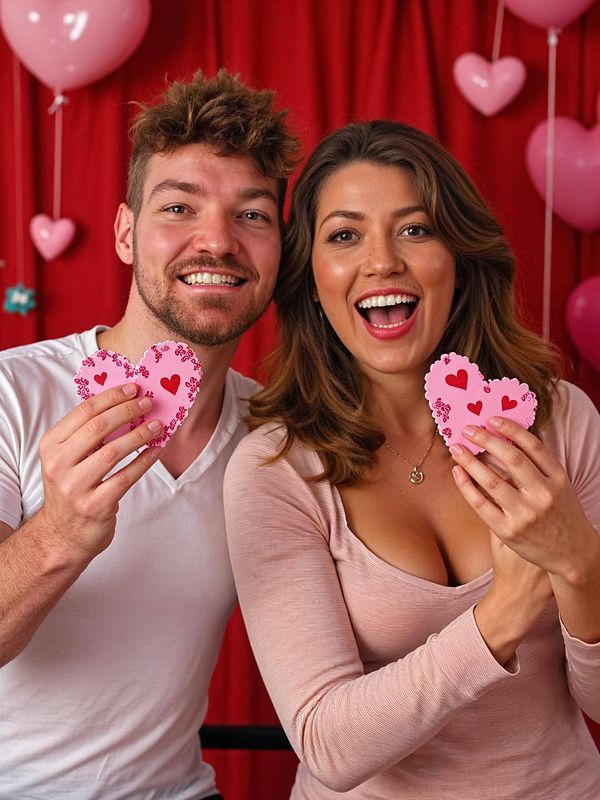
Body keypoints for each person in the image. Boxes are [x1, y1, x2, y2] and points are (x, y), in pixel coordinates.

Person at [224, 120, 600, 799]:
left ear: (457, 259)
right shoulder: (275, 471)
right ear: (311, 278)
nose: (382, 262)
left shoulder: (562, 420)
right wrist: (503, 615)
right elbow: (328, 745)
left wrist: (580, 563)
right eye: (344, 236)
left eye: (415, 229)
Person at [0, 69, 299, 799]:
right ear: (127, 233)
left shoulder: (276, 438)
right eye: (179, 207)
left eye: (252, 215)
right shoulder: (12, 393)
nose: (217, 241)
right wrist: (63, 531)